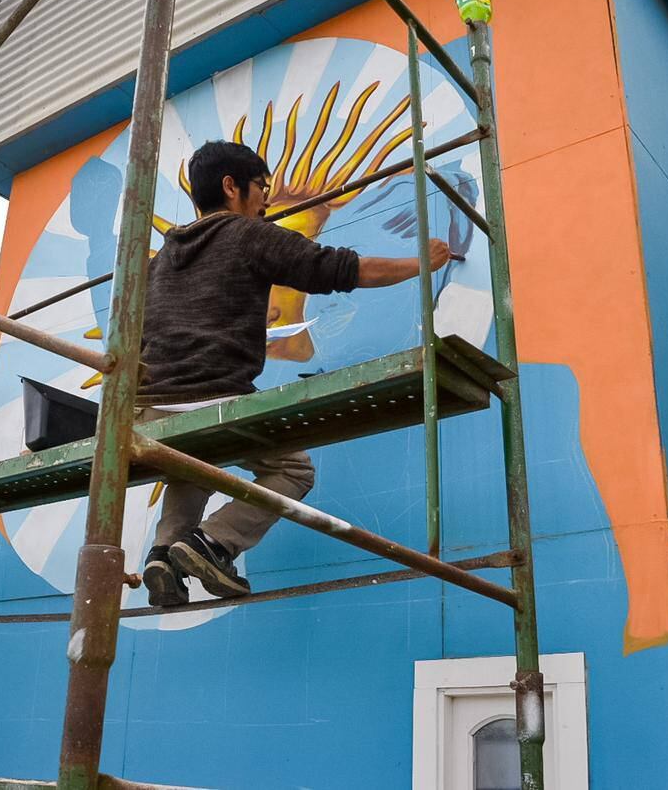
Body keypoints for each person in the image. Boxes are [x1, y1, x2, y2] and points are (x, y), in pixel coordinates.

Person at [138, 140, 451, 606]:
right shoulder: (247, 234)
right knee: (292, 468)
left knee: (194, 462)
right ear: (231, 186)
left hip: (150, 411)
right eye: (261, 188)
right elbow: (338, 269)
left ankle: (164, 555)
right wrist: (419, 262)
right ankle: (213, 543)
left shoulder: (157, 262)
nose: (265, 200)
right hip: (213, 397)